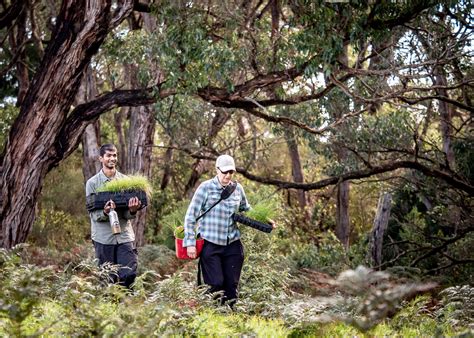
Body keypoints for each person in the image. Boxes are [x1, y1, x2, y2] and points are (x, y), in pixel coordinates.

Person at [183, 154, 250, 306]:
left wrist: (265, 219)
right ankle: (214, 317)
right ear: (217, 170)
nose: (227, 175)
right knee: (215, 283)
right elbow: (190, 216)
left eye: (231, 172)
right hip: (211, 243)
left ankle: (230, 319)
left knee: (231, 286)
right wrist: (190, 243)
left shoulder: (238, 189)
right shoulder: (205, 188)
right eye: (224, 172)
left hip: (232, 243)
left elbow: (247, 209)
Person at [85, 143, 142, 288]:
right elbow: (93, 214)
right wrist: (105, 212)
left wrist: (133, 210)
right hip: (103, 239)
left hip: (124, 236)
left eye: (114, 155)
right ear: (101, 158)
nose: (112, 158)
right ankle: (109, 309)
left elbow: (128, 214)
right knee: (106, 279)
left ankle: (126, 307)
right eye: (109, 155)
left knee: (128, 274)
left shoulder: (126, 182)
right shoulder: (92, 183)